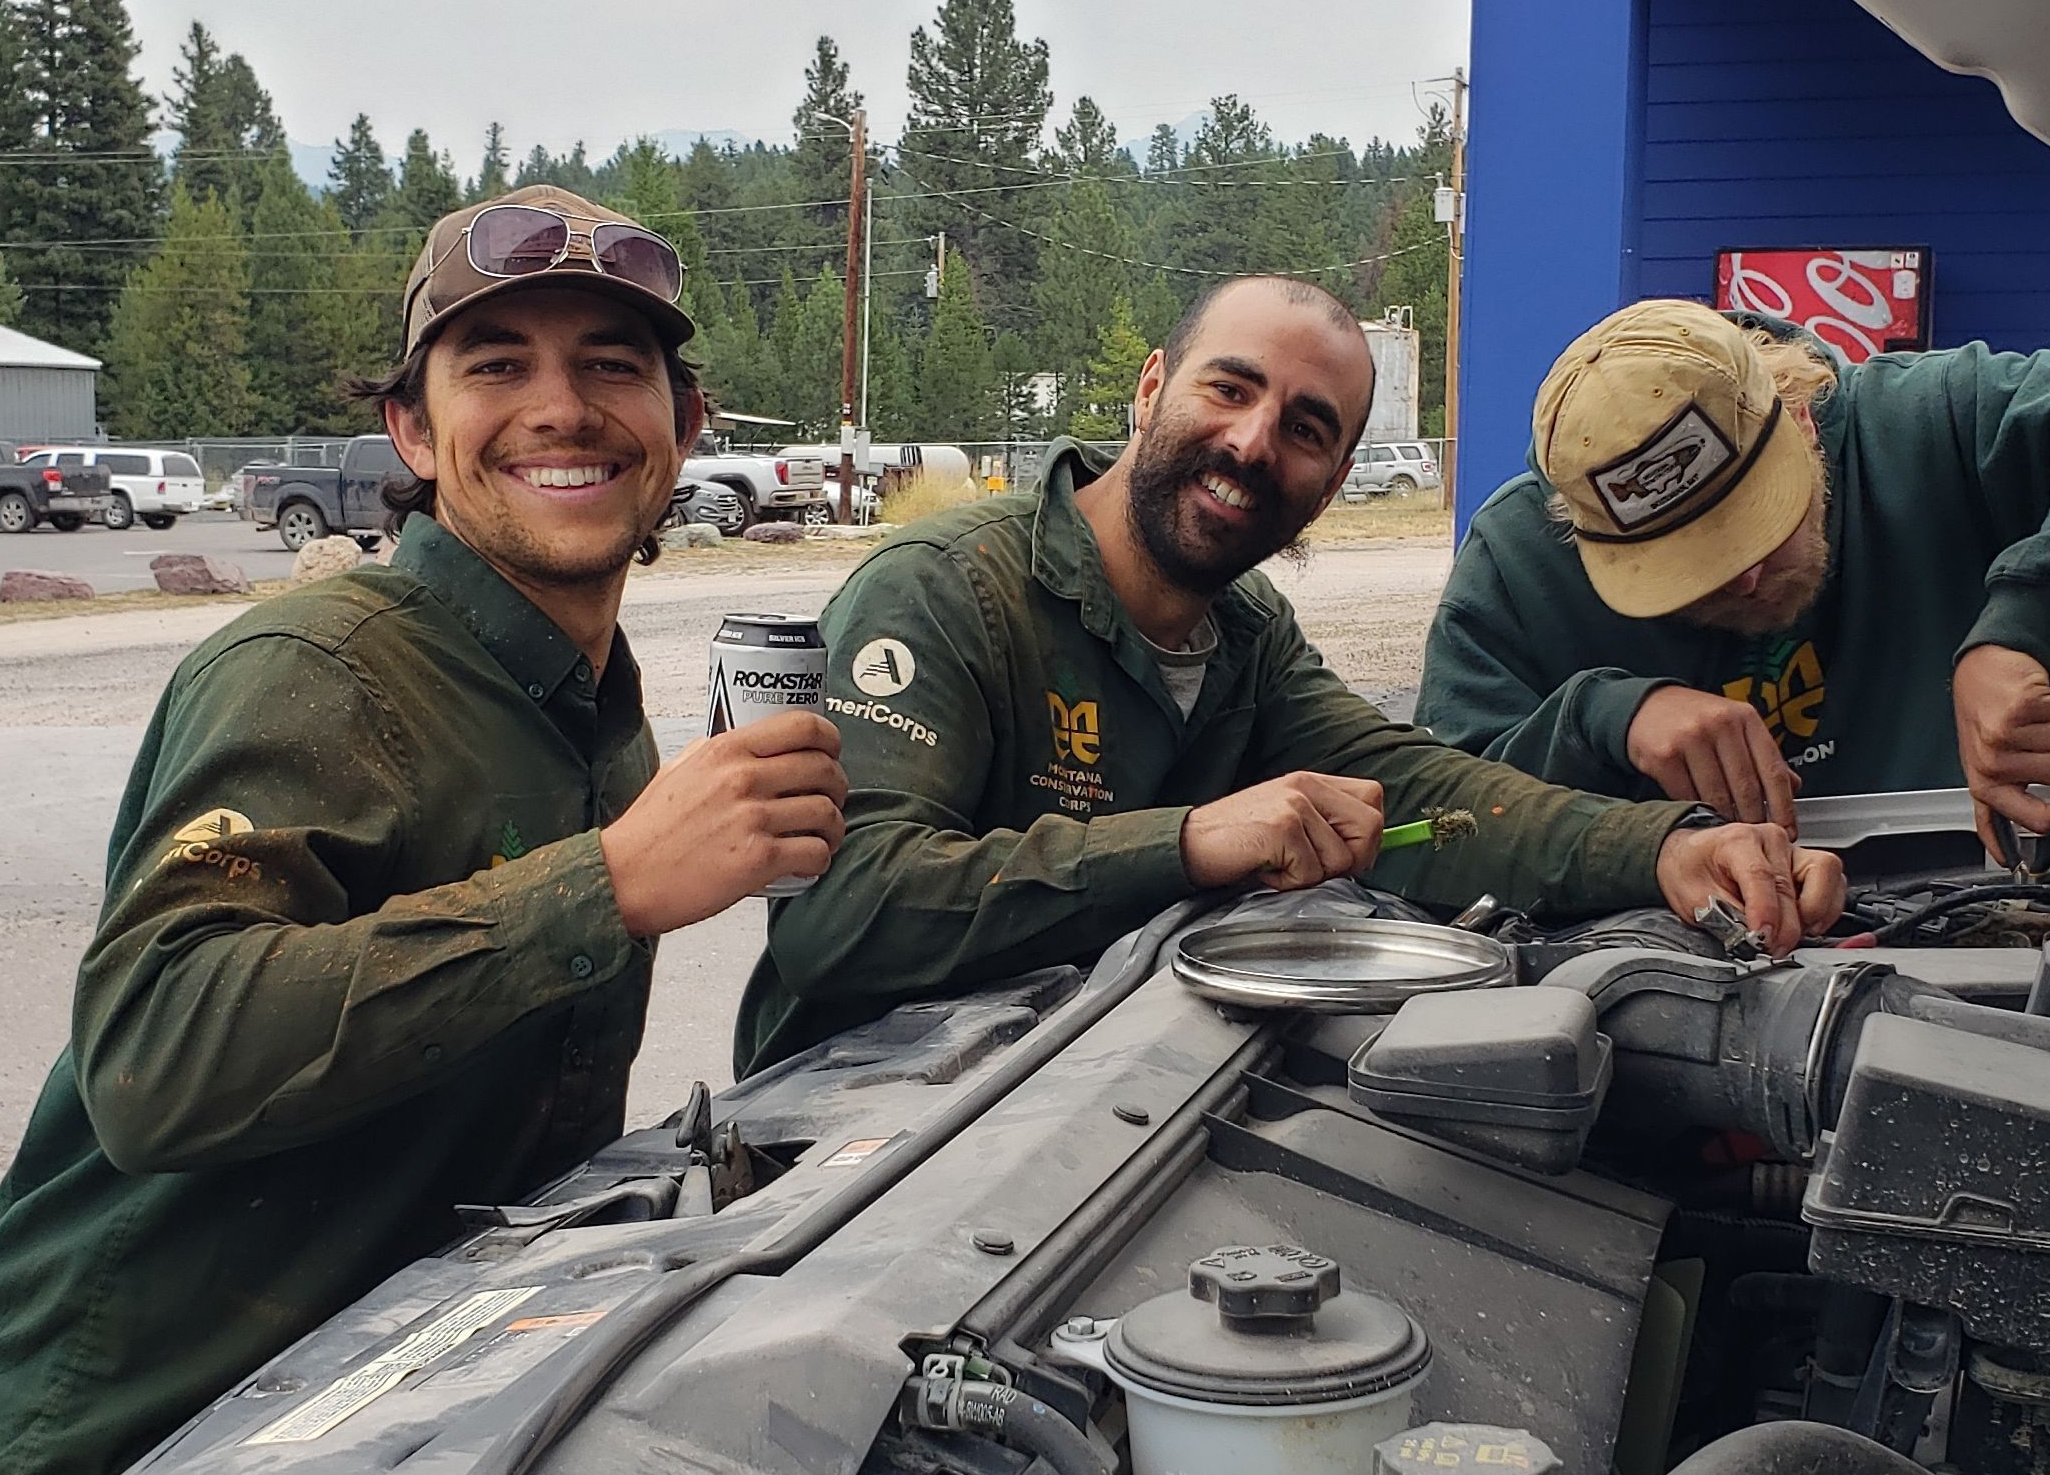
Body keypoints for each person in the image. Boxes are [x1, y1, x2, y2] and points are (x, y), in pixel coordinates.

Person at [0, 183, 846, 1475]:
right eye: (496, 366)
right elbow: (155, 1056)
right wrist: (602, 887)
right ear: (412, 431)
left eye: (611, 363)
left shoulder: (585, 702)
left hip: (342, 1455)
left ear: (685, 420)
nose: (561, 408)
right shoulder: (314, 669)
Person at [738, 273, 1841, 1071]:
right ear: (1152, 385)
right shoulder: (945, 592)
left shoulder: (1245, 637)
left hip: (1082, 1101)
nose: (1256, 442)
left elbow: (1431, 795)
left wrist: (1673, 852)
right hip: (853, 1150)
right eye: (1230, 389)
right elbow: (839, 917)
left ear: (1333, 480)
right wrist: (1188, 842)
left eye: (1307, 428)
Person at [1421, 301, 2050, 855]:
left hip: (1969, 926)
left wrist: (2020, 631)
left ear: (1799, 414)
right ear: (1585, 538)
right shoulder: (1515, 559)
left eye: (1762, 518)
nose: (1753, 575)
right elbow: (1431, 821)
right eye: (1696, 566)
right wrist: (1607, 720)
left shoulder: (1921, 421)